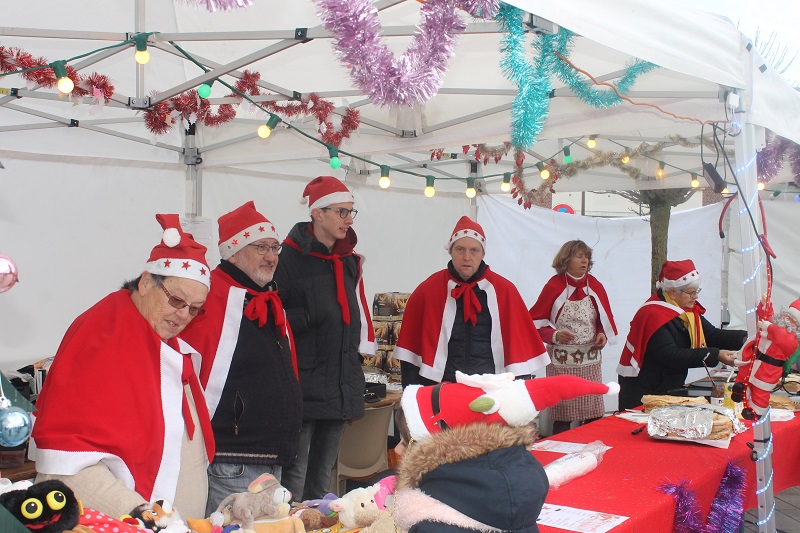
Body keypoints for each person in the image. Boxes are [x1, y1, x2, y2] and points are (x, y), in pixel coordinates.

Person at [29, 214, 214, 520]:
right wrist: (145, 518)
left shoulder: (162, 339)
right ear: (145, 282)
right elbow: (70, 463)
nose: (183, 316)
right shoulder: (103, 337)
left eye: (194, 309)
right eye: (177, 301)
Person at [180, 201, 303, 515]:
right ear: (232, 252)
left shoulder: (268, 297)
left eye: (275, 247)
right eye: (260, 247)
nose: (272, 256)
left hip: (268, 453)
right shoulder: (210, 296)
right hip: (232, 457)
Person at [392, 372, 619, 533]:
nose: (397, 449)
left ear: (432, 450)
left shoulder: (431, 521)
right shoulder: (516, 491)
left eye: (405, 441)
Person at [274, 176, 376, 501]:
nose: (348, 219)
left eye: (351, 213)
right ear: (318, 213)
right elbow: (271, 317)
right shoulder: (286, 260)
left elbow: (353, 316)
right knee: (296, 476)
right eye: (342, 212)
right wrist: (307, 317)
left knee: (322, 478)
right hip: (303, 385)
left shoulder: (347, 261)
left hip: (338, 385)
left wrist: (354, 367)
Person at [395, 216, 549, 387]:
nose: (467, 257)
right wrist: (412, 395)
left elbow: (520, 355)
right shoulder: (427, 291)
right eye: (460, 249)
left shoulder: (505, 291)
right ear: (450, 251)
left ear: (483, 253)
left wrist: (518, 396)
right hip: (442, 388)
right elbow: (410, 355)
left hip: (492, 389)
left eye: (474, 250)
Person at [616, 259, 747, 411]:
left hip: (667, 386)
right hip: (644, 391)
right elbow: (670, 355)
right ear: (672, 292)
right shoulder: (653, 315)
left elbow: (711, 334)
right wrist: (715, 354)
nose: (696, 297)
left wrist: (746, 338)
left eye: (697, 291)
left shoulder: (687, 311)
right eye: (691, 293)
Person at [529, 240, 618, 433]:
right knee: (563, 415)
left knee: (594, 413)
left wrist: (601, 333)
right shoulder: (554, 286)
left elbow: (602, 317)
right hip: (562, 360)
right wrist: (554, 335)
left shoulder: (595, 285)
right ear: (566, 259)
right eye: (579, 256)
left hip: (590, 359)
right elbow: (534, 323)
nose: (584, 260)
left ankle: (593, 448)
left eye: (586, 256)